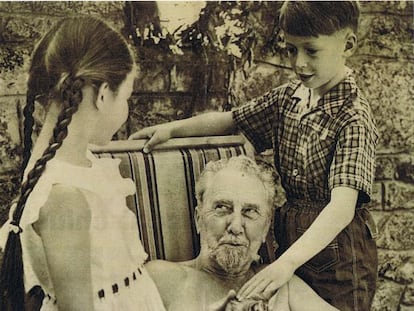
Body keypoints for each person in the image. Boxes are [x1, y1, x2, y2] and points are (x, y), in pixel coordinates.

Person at [130, 2, 379, 310]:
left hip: (338, 258)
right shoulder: (290, 98)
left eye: (311, 51)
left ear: (348, 45)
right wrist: (173, 129)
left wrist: (285, 264)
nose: (299, 63)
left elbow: (341, 208)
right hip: (291, 248)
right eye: (291, 50)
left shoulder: (353, 117)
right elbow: (232, 119)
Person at [0, 17, 165, 310]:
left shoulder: (67, 164)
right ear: (102, 95)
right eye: (126, 97)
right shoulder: (65, 195)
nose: (125, 109)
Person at [146, 156, 339, 311]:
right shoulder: (162, 279)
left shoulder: (279, 285)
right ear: (199, 219)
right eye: (222, 208)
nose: (236, 226)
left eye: (250, 212)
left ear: (265, 229)